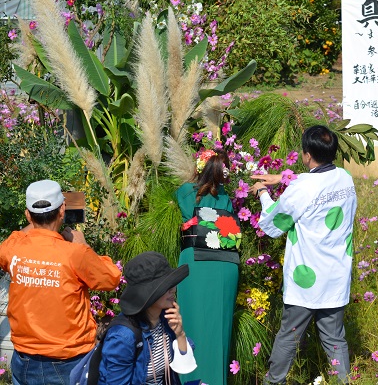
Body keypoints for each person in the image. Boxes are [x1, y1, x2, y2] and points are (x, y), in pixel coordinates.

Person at [249, 125, 357, 384]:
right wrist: (283, 179)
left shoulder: (303, 189)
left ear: (307, 155)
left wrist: (263, 193)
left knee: (289, 334)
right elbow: (316, 182)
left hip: (305, 280)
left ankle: (273, 381)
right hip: (336, 275)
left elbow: (274, 225)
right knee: (334, 338)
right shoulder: (344, 178)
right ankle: (343, 381)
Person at [0, 179, 122, 384]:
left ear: (28, 215)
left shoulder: (14, 248)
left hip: (23, 359)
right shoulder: (75, 253)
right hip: (67, 362)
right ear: (62, 210)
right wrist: (83, 245)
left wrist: (38, 221)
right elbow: (111, 278)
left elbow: (10, 243)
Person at [175, 150, 240, 385]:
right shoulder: (226, 199)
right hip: (226, 267)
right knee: (218, 332)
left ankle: (190, 380)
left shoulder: (185, 192)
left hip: (196, 264)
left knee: (191, 327)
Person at [99, 251, 196, 384]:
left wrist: (180, 334)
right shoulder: (123, 337)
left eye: (172, 285)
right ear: (148, 295)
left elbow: (183, 367)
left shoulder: (165, 319)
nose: (173, 290)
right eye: (166, 287)